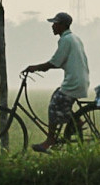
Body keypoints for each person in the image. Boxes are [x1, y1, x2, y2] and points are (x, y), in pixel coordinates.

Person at [24, 11, 89, 153]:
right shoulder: (74, 38)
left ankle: (50, 140)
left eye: (55, 24)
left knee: (54, 106)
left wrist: (35, 68)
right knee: (56, 96)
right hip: (79, 80)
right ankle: (75, 121)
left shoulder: (66, 40)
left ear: (63, 26)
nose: (53, 26)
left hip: (73, 82)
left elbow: (55, 62)